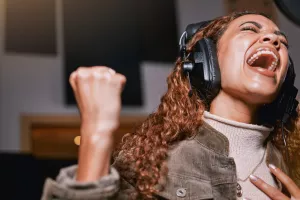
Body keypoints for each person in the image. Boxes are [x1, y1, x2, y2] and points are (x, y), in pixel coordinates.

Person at [41, 11, 300, 200]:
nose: (273, 41)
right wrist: (96, 134)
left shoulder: (294, 163)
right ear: (207, 59)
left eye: (282, 41)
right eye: (250, 30)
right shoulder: (154, 164)